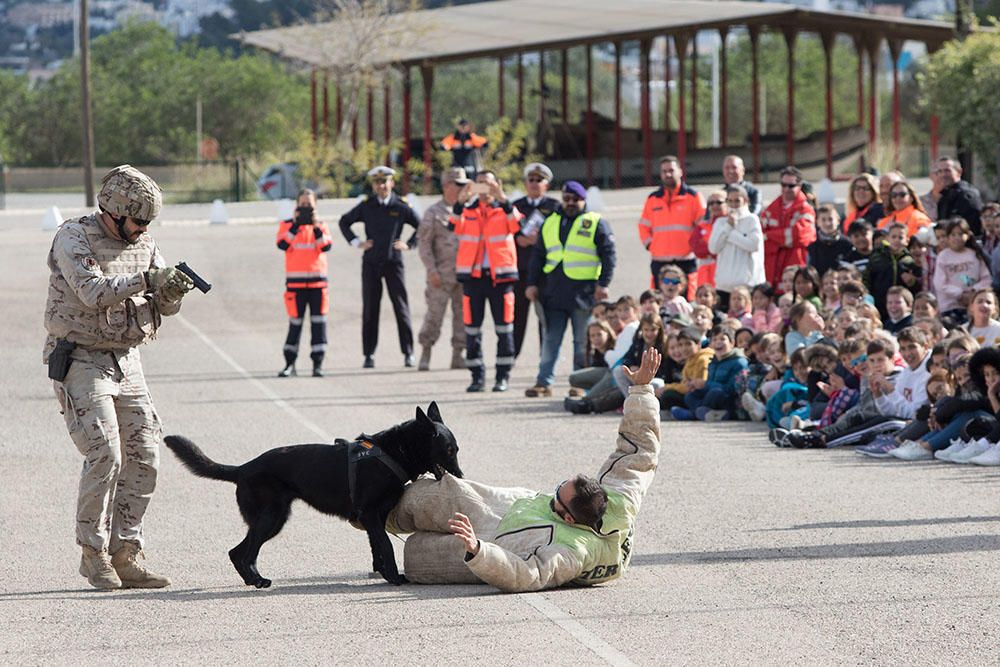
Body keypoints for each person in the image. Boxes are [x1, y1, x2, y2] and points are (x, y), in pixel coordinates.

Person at [386, 348, 663, 592]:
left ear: (567, 519)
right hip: (519, 508)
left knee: (419, 555)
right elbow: (640, 450)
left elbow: (527, 575)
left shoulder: (571, 554)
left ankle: (429, 537)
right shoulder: (619, 500)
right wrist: (641, 390)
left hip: (504, 544)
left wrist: (479, 550)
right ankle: (370, 508)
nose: (553, 493)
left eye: (557, 497)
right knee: (440, 494)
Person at [44, 165, 194, 589]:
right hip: (80, 357)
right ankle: (92, 554)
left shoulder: (144, 242)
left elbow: (164, 307)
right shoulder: (73, 237)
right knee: (105, 452)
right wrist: (148, 278)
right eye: (138, 219)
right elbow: (92, 291)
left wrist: (170, 291)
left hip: (126, 359)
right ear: (114, 209)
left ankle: (125, 552)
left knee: (146, 453)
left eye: (148, 222)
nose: (143, 228)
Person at [524, 181, 616, 397]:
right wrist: (531, 284)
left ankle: (580, 383)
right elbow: (538, 255)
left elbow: (609, 255)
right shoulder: (550, 221)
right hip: (553, 291)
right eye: (567, 199)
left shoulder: (595, 222)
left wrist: (603, 284)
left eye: (576, 199)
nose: (571, 203)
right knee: (550, 340)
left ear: (583, 200)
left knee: (581, 342)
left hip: (584, 293)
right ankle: (543, 383)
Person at [339, 166, 420, 369]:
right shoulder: (367, 206)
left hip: (394, 262)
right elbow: (344, 222)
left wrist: (409, 244)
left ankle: (408, 353)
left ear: (392, 183)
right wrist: (357, 242)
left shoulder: (400, 206)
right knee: (370, 309)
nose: (381, 186)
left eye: (385, 182)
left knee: (401, 308)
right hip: (372, 262)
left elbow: (422, 225)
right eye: (377, 183)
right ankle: (369, 354)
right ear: (373, 185)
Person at [449, 169, 522, 392]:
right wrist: (461, 202)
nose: (483, 188)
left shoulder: (505, 209)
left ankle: (502, 377)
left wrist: (503, 199)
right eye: (478, 184)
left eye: (487, 184)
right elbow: (453, 226)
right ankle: (477, 377)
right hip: (473, 279)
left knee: (504, 330)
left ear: (496, 185)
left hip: (501, 279)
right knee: (472, 331)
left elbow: (517, 225)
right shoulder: (467, 211)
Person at [416, 167, 470, 371]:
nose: (463, 189)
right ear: (447, 186)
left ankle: (458, 354)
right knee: (434, 315)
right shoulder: (433, 212)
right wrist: (431, 270)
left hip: (464, 274)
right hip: (441, 275)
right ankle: (426, 352)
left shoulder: (468, 210)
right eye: (459, 185)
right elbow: (424, 244)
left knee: (463, 316)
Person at [276, 188, 332, 377]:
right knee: (295, 324)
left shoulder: (321, 226)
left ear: (315, 206)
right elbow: (282, 244)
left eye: (310, 205)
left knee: (319, 325)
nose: (306, 208)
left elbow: (325, 246)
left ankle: (318, 364)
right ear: (297, 205)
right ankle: (289, 363)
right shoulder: (287, 225)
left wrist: (315, 225)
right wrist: (295, 225)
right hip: (295, 286)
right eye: (303, 204)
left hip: (318, 286)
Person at [638, 155, 706, 294]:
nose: (668, 174)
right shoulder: (653, 199)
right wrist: (650, 244)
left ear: (680, 171)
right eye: (664, 171)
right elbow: (643, 226)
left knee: (688, 302)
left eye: (671, 170)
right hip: (659, 260)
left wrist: (695, 246)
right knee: (660, 302)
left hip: (685, 260)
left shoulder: (693, 197)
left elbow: (703, 226)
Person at [511, 163, 557, 359]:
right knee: (517, 316)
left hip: (545, 272)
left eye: (539, 180)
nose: (535, 184)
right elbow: (505, 231)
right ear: (525, 183)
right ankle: (511, 356)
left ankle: (545, 357)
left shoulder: (555, 207)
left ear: (546, 185)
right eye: (531, 180)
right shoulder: (516, 207)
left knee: (545, 317)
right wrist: (518, 238)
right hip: (521, 270)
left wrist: (541, 240)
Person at [708, 184, 764, 304]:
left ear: (745, 201)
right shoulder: (720, 222)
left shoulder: (752, 220)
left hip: (746, 286)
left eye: (737, 201)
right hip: (723, 286)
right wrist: (728, 227)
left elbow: (753, 245)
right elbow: (713, 248)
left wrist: (730, 234)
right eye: (730, 201)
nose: (733, 205)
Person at [760, 166, 816, 286]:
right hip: (771, 268)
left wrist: (770, 236)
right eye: (783, 185)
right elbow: (760, 239)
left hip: (795, 266)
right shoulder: (770, 209)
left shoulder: (806, 209)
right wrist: (783, 238)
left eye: (791, 186)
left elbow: (799, 236)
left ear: (799, 186)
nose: (786, 189)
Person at [932, 217, 991, 325]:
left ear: (967, 235)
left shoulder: (974, 254)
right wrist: (960, 294)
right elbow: (940, 283)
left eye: (960, 234)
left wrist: (974, 292)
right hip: (950, 306)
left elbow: (986, 278)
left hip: (973, 305)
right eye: (953, 235)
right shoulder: (943, 257)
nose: (957, 238)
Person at [935, 156, 984, 236]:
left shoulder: (967, 195)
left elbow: (973, 227)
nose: (943, 175)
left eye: (947, 170)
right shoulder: (944, 196)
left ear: (959, 172)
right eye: (940, 171)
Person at [807, 205, 853, 277]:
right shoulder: (812, 246)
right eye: (823, 220)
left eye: (830, 219)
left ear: (838, 221)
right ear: (817, 222)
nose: (827, 223)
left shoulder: (847, 244)